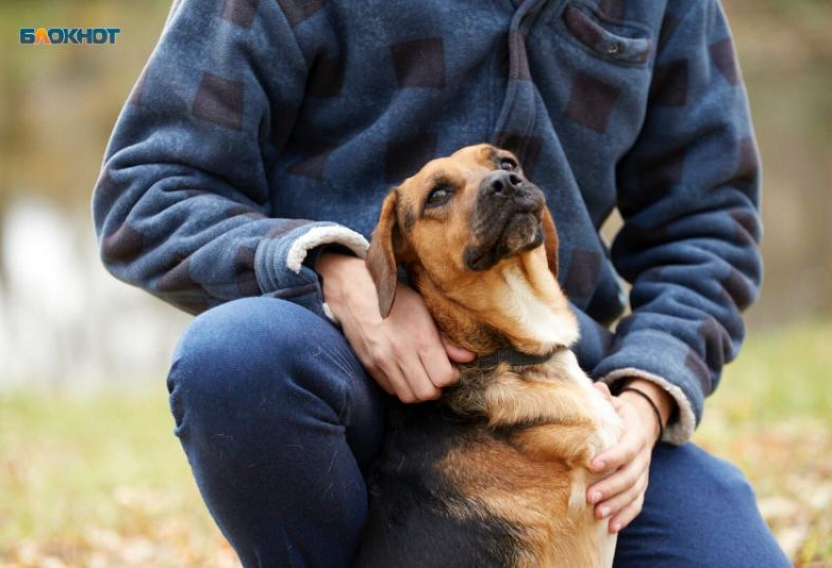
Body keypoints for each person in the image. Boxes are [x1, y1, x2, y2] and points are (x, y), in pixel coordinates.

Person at [92, 0, 790, 565]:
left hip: (568, 389)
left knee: (730, 553)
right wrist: (339, 273)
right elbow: (147, 192)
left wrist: (647, 396)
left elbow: (707, 227)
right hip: (339, 371)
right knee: (236, 359)